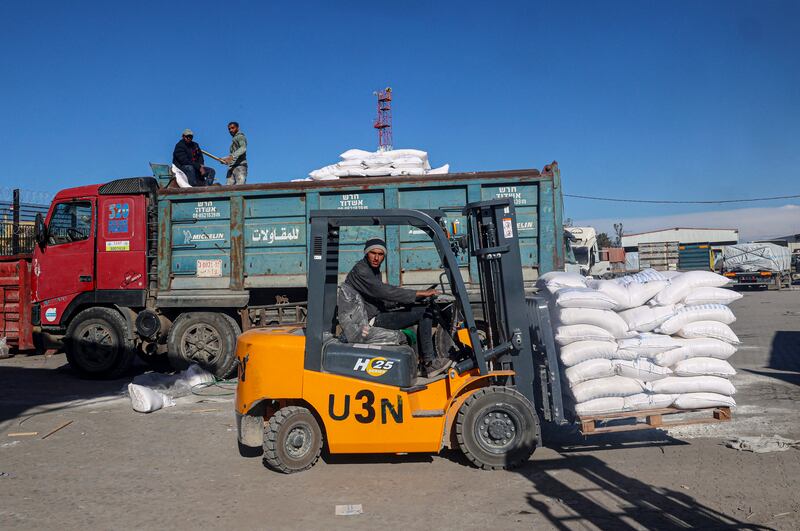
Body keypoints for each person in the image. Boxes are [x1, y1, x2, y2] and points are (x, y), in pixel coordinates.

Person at [344, 238, 451, 375]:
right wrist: (418, 293)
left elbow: (382, 298)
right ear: (366, 253)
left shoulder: (373, 270)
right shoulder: (362, 271)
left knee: (420, 309)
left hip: (374, 313)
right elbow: (385, 292)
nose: (376, 258)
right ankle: (429, 364)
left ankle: (420, 362)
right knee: (424, 313)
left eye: (380, 254)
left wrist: (414, 300)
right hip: (367, 321)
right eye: (373, 253)